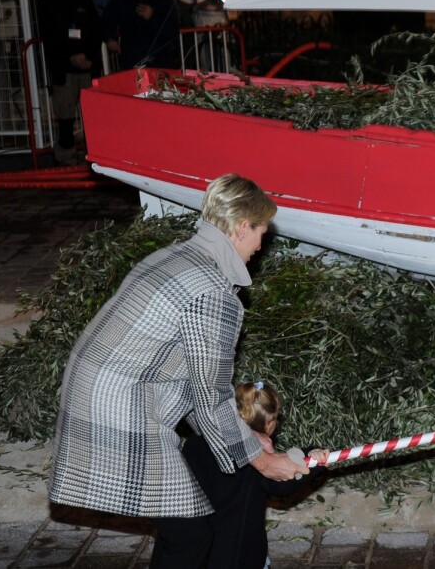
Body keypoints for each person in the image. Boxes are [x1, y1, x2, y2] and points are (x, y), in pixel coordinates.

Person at [49, 173, 311, 569]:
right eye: (261, 231)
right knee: (189, 532)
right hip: (121, 405)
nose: (261, 244)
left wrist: (248, 443)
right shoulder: (213, 293)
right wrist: (260, 459)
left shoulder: (176, 256)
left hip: (99, 388)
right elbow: (211, 392)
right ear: (242, 228)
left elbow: (190, 381)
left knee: (187, 530)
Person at [183, 381, 330, 569]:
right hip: (239, 554)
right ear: (269, 424)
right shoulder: (255, 462)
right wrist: (314, 458)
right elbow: (282, 483)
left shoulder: (195, 444)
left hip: (198, 549)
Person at [38, 0, 103, 166]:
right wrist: (72, 56)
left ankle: (96, 155)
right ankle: (66, 157)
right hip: (63, 69)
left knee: (93, 114)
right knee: (65, 115)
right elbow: (50, 35)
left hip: (88, 67)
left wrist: (87, 56)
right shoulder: (48, 1)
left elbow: (96, 30)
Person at [102, 0, 179, 70]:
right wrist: (109, 38)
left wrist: (152, 16)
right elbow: (107, 21)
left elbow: (171, 27)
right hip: (132, 57)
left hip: (159, 58)